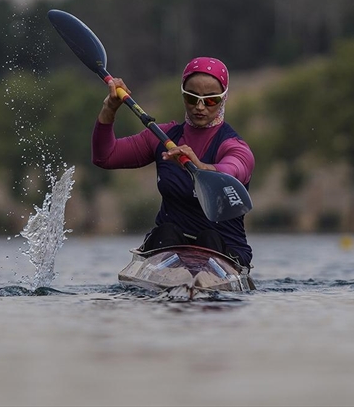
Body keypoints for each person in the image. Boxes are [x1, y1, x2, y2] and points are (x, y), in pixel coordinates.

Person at [91, 57, 255, 267]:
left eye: (211, 99)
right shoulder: (162, 137)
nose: (200, 107)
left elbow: (234, 169)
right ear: (183, 95)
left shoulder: (234, 146)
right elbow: (105, 156)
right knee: (167, 233)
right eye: (191, 97)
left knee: (209, 238)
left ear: (224, 98)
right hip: (167, 247)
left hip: (223, 250)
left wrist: (200, 167)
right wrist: (109, 109)